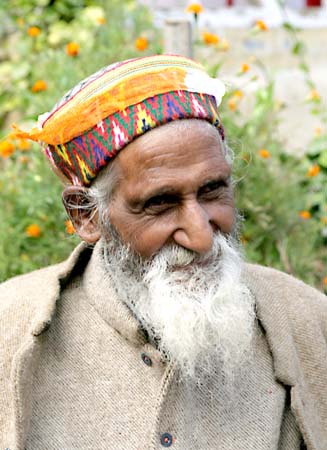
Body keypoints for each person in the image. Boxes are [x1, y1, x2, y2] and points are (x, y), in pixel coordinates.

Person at [1, 54, 326, 450]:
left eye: (213, 191)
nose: (201, 237)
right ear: (86, 216)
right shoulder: (11, 332)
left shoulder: (308, 324)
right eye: (160, 204)